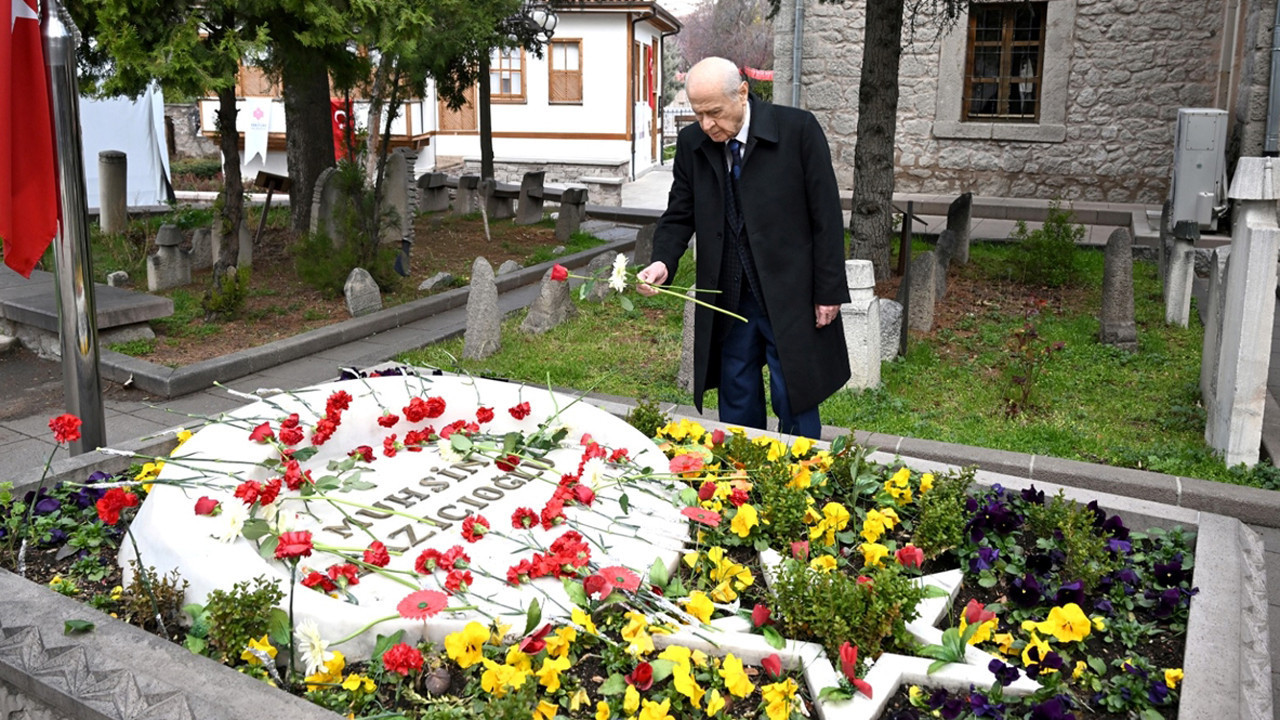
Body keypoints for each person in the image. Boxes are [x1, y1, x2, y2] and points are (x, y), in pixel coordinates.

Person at [636, 56, 850, 438]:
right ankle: (742, 483)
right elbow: (680, 212)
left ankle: (799, 479)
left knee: (795, 395)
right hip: (728, 295)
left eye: (714, 113)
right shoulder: (692, 143)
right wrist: (663, 261)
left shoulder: (797, 130)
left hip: (789, 294)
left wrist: (829, 291)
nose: (706, 125)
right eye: (698, 114)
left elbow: (827, 217)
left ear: (742, 93)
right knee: (736, 394)